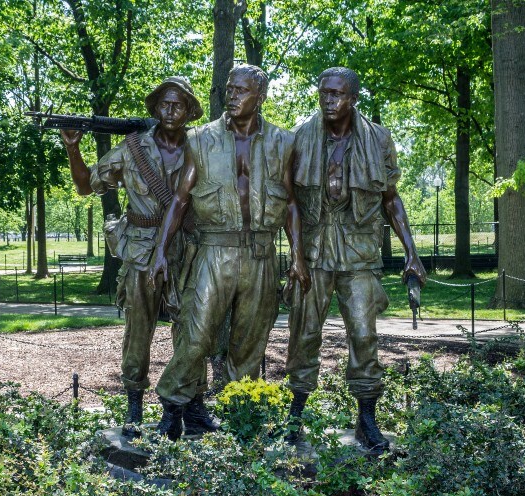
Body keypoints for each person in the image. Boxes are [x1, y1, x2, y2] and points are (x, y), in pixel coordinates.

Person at [149, 64, 311, 440]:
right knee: (195, 335)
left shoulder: (283, 142)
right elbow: (180, 199)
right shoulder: (200, 139)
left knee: (251, 342)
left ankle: (243, 418)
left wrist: (298, 256)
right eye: (229, 89)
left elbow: (289, 203)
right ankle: (173, 409)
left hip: (260, 254)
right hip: (213, 251)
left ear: (261, 96)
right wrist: (160, 250)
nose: (232, 95)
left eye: (241, 90)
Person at [60, 77, 216, 438]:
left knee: (193, 330)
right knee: (138, 330)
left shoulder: (205, 147)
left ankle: (192, 406)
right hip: (142, 252)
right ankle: (134, 407)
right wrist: (73, 148)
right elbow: (85, 186)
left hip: (188, 248)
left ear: (191, 110)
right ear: (155, 108)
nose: (171, 110)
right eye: (164, 103)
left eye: (179, 104)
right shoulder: (131, 149)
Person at [284, 67, 426, 453]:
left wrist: (411, 251)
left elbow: (390, 198)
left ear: (353, 98)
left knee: (364, 335)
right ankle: (295, 413)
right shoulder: (299, 136)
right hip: (313, 251)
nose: (328, 101)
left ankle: (366, 417)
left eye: (337, 95)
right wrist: (296, 255)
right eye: (323, 93)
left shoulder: (378, 139)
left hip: (359, 252)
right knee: (304, 331)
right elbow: (289, 201)